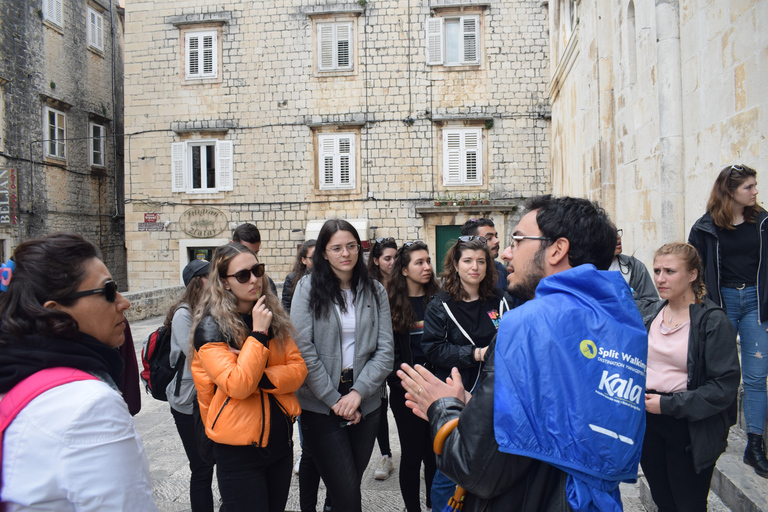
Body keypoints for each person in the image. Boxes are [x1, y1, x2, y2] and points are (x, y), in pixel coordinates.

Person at [398, 195, 648, 511]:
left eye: (517, 240)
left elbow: (476, 469)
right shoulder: (625, 324)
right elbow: (558, 422)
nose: (504, 253)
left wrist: (443, 407)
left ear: (557, 249)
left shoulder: (528, 324)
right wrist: (478, 410)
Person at [0, 233, 157, 511]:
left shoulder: (17, 375)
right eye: (108, 291)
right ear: (55, 312)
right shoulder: (90, 406)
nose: (124, 302)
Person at [190, 243, 307, 512]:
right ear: (224, 283)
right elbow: (239, 385)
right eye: (243, 275)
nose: (254, 279)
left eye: (257, 270)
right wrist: (257, 334)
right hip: (238, 450)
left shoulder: (271, 315)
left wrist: (259, 375)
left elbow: (298, 370)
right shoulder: (211, 327)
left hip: (280, 443)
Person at [291, 219, 394, 512]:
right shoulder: (307, 288)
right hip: (320, 404)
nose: (345, 253)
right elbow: (303, 349)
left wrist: (358, 393)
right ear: (323, 253)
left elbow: (386, 351)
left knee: (345, 486)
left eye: (351, 246)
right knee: (349, 495)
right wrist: (335, 399)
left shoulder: (375, 290)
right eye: (336, 248)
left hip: (367, 401)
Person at [641, 243, 740, 511]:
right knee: (663, 502)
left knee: (689, 505)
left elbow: (723, 387)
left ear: (693, 275)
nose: (660, 278)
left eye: (670, 271)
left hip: (689, 426)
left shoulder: (713, 321)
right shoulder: (652, 314)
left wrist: (668, 404)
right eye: (657, 270)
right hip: (649, 422)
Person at [688, 163, 768, 479]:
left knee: (757, 376)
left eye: (754, 185)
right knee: (715, 374)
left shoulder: (763, 222)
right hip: (720, 306)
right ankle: (710, 437)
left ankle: (755, 445)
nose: (755, 191)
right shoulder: (704, 227)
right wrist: (702, 308)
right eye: (749, 186)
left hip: (756, 306)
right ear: (730, 191)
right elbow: (694, 269)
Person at [421, 236, 511, 511]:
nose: (475, 267)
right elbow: (433, 349)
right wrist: (475, 354)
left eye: (481, 261)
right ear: (456, 265)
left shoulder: (500, 300)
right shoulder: (441, 304)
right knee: (451, 470)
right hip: (459, 396)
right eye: (468, 261)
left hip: (495, 397)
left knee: (492, 464)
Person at [386, 241, 440, 512]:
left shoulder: (440, 299)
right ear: (404, 270)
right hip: (406, 392)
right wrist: (407, 383)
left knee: (434, 453)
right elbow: (389, 354)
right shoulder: (391, 304)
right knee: (412, 454)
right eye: (419, 262)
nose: (427, 267)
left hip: (437, 390)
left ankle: (433, 504)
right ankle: (413, 508)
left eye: (428, 261)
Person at [166, 259, 215, 512]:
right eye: (210, 275)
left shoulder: (211, 308)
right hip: (188, 402)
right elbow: (198, 357)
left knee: (221, 463)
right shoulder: (183, 314)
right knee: (201, 467)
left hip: (211, 399)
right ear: (199, 281)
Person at [367, 236, 398, 481]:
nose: (392, 262)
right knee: (379, 406)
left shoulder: (404, 283)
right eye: (387, 258)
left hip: (400, 355)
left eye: (396, 257)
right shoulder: (369, 288)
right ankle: (386, 455)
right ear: (376, 261)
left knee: (401, 405)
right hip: (376, 356)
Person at [609, 224, 658, 309]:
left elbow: (652, 304)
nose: (617, 237)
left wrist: (626, 303)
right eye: (610, 235)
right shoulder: (584, 271)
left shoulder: (635, 267)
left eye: (617, 232)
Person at [461, 219, 508, 293]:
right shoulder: (454, 278)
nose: (497, 241)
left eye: (496, 236)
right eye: (489, 238)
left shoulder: (502, 271)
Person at [232, 222, 278, 296]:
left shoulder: (266, 283)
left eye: (255, 253)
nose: (254, 280)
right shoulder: (218, 283)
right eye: (246, 252)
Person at [282, 239, 316, 314]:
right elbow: (286, 308)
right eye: (313, 258)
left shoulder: (328, 278)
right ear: (303, 260)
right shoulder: (292, 279)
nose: (317, 262)